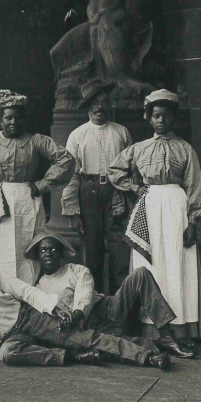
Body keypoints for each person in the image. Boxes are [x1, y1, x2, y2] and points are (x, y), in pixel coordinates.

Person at [0, 241, 171, 369]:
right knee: (8, 354)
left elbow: (23, 290)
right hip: (10, 338)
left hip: (30, 317)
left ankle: (147, 357)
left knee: (86, 338)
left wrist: (53, 307)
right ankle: (72, 358)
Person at [108, 90, 201, 349]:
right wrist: (133, 186)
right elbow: (114, 170)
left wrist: (192, 222)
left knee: (176, 263)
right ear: (149, 119)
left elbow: (195, 185)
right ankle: (152, 329)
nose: (161, 121)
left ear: (174, 118)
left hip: (176, 207)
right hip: (150, 206)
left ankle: (180, 328)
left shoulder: (185, 149)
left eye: (166, 116)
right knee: (151, 264)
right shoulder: (139, 148)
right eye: (156, 116)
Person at [26, 231, 193, 359]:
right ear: (39, 256)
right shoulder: (39, 288)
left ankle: (167, 336)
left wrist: (77, 313)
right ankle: (153, 347)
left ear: (61, 253)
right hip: (94, 329)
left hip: (109, 309)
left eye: (54, 249)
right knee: (117, 346)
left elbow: (85, 292)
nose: (49, 253)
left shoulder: (75, 270)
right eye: (44, 250)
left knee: (140, 274)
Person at [0, 89, 74, 283]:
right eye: (8, 118)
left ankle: (27, 288)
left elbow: (65, 159)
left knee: (26, 245)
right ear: (1, 120)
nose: (13, 122)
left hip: (28, 200)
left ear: (24, 119)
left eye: (18, 118)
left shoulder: (36, 141)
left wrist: (43, 184)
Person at [61, 79, 132, 293]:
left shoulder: (122, 132)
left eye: (103, 102)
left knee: (120, 250)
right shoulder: (78, 135)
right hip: (88, 192)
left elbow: (131, 168)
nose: (99, 107)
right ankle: (93, 303)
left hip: (116, 192)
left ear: (109, 104)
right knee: (91, 253)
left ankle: (119, 304)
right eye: (94, 102)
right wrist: (72, 210)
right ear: (87, 106)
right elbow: (71, 174)